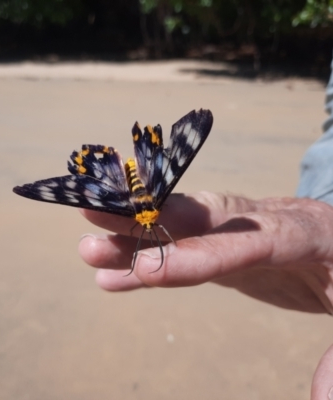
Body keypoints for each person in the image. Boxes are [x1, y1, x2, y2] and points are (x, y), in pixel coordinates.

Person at [78, 59, 333, 400]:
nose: (151, 222)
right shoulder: (148, 212)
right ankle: (137, 150)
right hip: (145, 183)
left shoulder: (150, 215)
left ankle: (117, 158)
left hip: (137, 189)